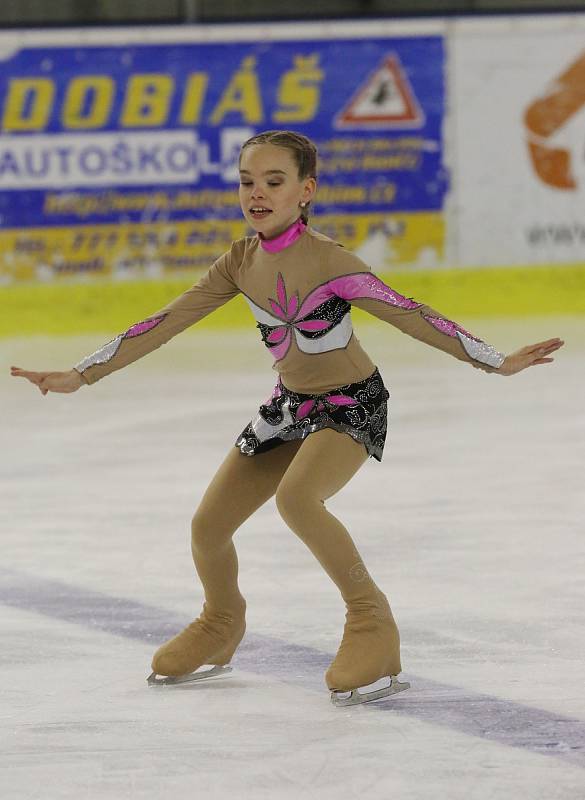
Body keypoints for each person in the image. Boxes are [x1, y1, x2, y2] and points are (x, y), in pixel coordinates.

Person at [11, 130, 564, 706]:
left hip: (352, 401)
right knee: (208, 526)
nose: (257, 193)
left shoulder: (331, 261)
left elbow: (410, 314)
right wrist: (82, 373)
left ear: (306, 190)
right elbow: (165, 321)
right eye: (247, 182)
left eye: (274, 182)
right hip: (290, 406)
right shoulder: (238, 261)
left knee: (299, 500)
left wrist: (495, 362)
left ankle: (373, 625)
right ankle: (221, 621)